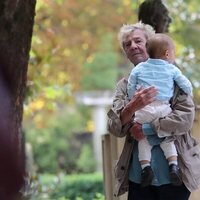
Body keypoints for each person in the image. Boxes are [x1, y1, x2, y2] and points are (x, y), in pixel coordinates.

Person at [107, 22, 200, 200]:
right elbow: (114, 128)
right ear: (126, 52)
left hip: (176, 176)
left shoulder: (173, 76)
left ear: (150, 44)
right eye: (128, 44)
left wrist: (146, 129)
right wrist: (132, 106)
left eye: (138, 41)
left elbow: (185, 118)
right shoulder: (125, 86)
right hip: (138, 177)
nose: (133, 46)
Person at [127, 33, 193, 187]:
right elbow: (187, 86)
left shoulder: (139, 68)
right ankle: (173, 165)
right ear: (167, 54)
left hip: (144, 108)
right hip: (163, 108)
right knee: (167, 139)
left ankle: (146, 168)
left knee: (143, 141)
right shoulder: (171, 69)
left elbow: (131, 86)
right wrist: (188, 90)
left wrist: (133, 99)